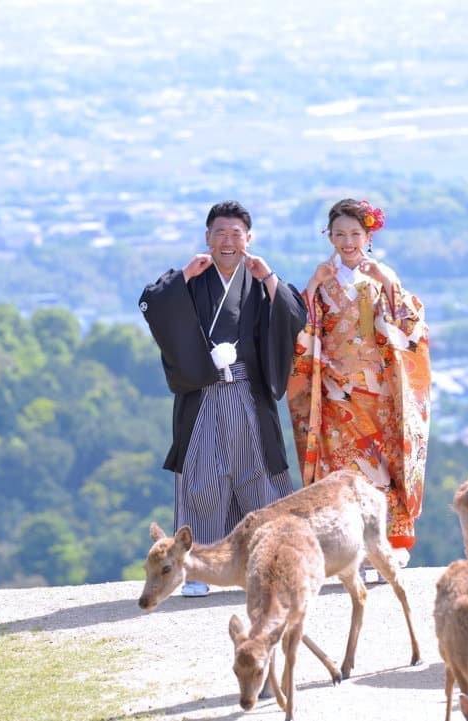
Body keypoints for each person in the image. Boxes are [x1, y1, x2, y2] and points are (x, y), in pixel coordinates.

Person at [139, 200, 308, 597]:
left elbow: (295, 314)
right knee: (202, 481)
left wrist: (268, 277)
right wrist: (183, 275)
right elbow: (149, 303)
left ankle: (274, 563)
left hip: (248, 394)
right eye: (220, 233)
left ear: (249, 239)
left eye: (236, 234)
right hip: (203, 395)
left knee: (260, 479)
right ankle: (195, 571)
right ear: (207, 238)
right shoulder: (192, 278)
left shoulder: (259, 279)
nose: (228, 241)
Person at [287, 198, 431, 582]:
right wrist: (312, 287)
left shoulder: (382, 277)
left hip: (379, 393)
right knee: (341, 473)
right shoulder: (321, 279)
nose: (347, 241)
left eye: (355, 234)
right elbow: (303, 332)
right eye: (340, 234)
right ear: (329, 237)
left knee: (381, 469)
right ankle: (350, 553)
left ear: (368, 236)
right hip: (334, 394)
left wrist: (387, 283)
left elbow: (412, 329)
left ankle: (385, 549)